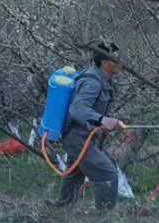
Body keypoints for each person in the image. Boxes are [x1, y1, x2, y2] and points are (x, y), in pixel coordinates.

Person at [50, 43, 129, 210]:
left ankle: (61, 210)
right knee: (107, 173)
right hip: (76, 137)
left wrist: (102, 123)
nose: (121, 62)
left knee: (75, 173)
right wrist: (101, 119)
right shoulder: (93, 82)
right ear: (106, 63)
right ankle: (104, 219)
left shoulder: (99, 79)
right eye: (117, 59)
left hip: (80, 135)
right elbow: (77, 109)